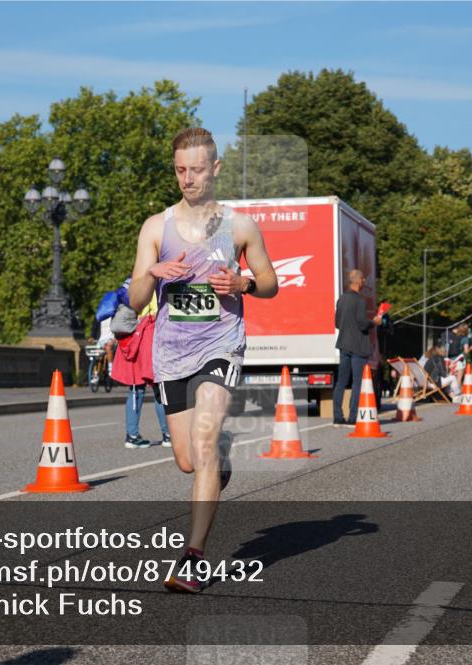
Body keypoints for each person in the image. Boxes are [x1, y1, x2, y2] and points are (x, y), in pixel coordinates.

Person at [128, 127, 278, 592]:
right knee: (188, 461)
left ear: (215, 168)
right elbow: (135, 300)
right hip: (171, 353)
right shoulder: (156, 227)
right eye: (180, 170)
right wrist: (152, 273)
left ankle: (193, 558)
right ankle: (219, 458)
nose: (187, 179)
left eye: (195, 169)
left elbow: (270, 283)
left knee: (205, 441)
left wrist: (243, 284)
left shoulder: (240, 227)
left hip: (221, 344)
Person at [110, 293, 171, 448]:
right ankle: (168, 435)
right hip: (150, 333)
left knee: (135, 389)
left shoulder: (131, 286)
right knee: (159, 387)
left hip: (131, 335)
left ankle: (132, 436)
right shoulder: (157, 285)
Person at [332, 270, 384, 426]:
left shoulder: (341, 299)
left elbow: (337, 324)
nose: (364, 281)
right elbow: (362, 324)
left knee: (341, 382)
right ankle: (353, 417)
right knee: (357, 382)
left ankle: (337, 416)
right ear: (357, 281)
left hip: (343, 345)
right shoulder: (360, 301)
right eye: (363, 279)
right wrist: (374, 322)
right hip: (358, 346)